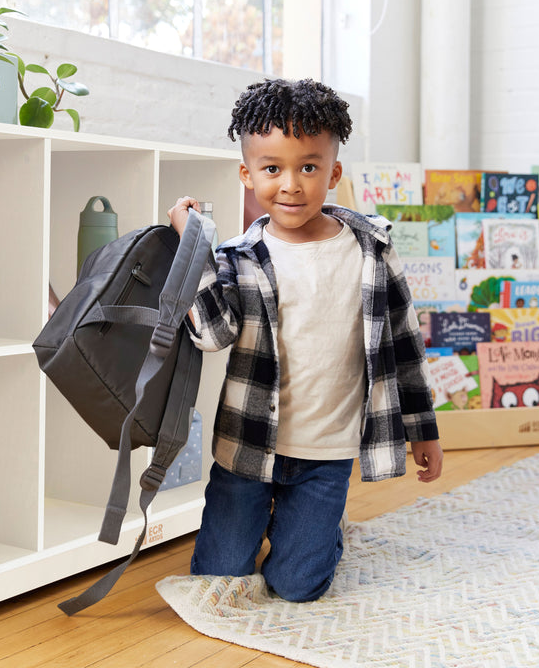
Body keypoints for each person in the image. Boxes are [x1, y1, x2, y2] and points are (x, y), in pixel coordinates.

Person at [167, 77, 443, 603]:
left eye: (308, 167)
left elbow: (406, 346)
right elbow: (212, 334)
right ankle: (273, 529)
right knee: (218, 580)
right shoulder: (236, 258)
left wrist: (423, 430)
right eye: (272, 169)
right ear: (247, 175)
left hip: (327, 453)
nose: (290, 184)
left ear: (333, 171)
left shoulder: (371, 250)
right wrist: (193, 244)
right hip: (247, 448)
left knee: (297, 587)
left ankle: (318, 534)